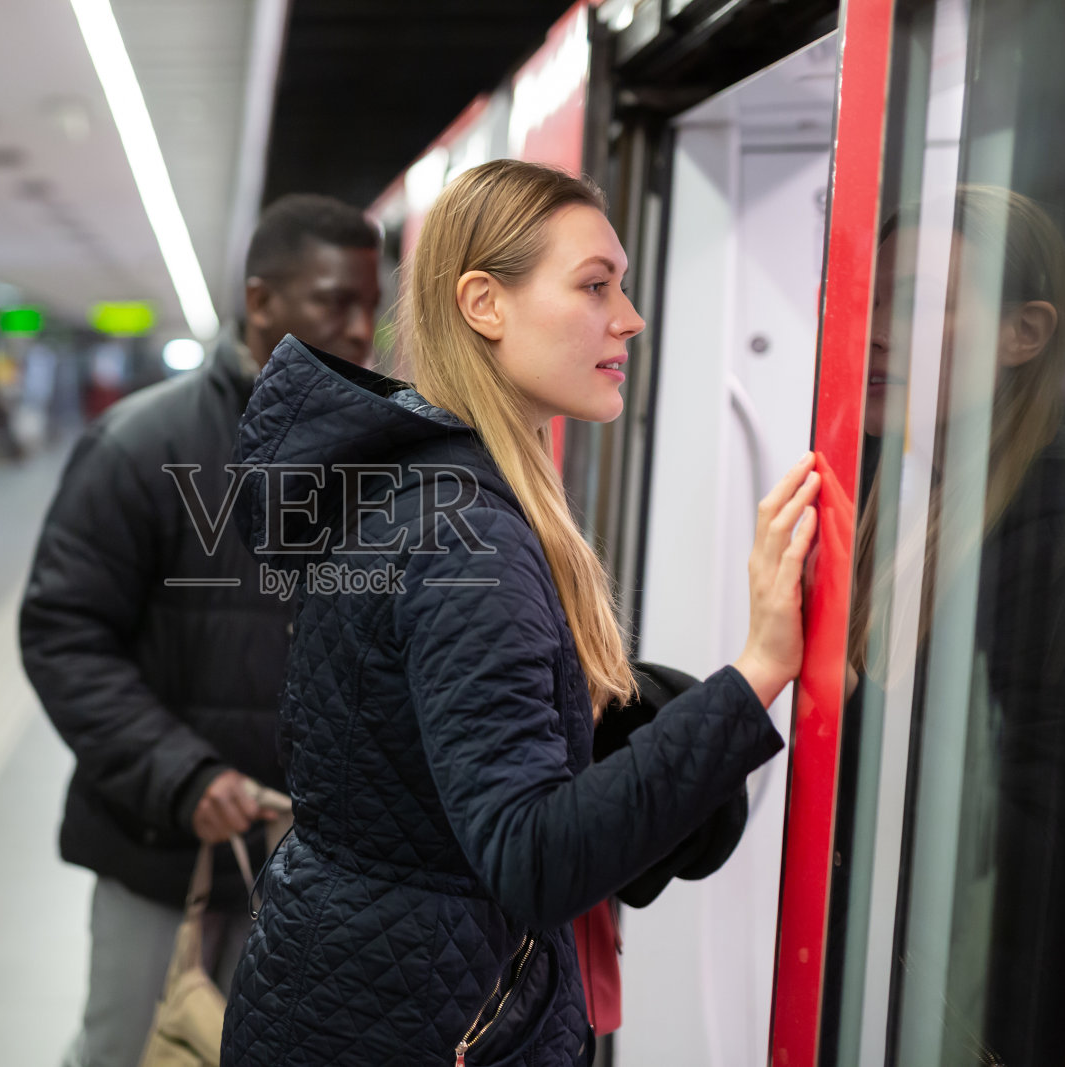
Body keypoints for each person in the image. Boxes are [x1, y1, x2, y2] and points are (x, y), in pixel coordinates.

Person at [219, 159, 820, 1065]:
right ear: (483, 304)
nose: (630, 317)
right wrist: (757, 673)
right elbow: (533, 856)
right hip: (416, 1015)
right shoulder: (468, 538)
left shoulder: (417, 482)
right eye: (594, 285)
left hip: (362, 988)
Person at [19, 193, 383, 1067]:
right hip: (164, 845)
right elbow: (63, 633)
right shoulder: (142, 445)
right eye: (335, 301)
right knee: (133, 1046)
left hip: (319, 866)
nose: (363, 329)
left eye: (372, 303)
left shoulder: (383, 454)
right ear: (261, 302)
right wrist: (182, 773)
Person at [847, 186, 1065, 1065]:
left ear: (1022, 334)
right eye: (871, 295)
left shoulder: (1061, 533)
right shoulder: (888, 488)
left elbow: (1035, 856)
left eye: (917, 301)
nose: (875, 327)